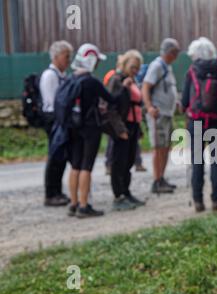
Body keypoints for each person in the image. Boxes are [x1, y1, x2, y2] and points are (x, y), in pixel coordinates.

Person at [67, 44, 132, 218]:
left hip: (74, 126)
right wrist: (124, 88)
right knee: (86, 166)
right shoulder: (92, 82)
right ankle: (83, 206)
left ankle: (73, 204)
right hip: (90, 128)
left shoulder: (71, 78)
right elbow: (112, 99)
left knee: (75, 165)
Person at [181, 37, 217, 213]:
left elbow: (185, 100)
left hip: (196, 121)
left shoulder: (192, 70)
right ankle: (216, 199)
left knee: (197, 161)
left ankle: (198, 201)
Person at [105, 50, 146, 211]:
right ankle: (118, 196)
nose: (135, 70)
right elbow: (112, 106)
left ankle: (126, 191)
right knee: (118, 161)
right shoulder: (117, 80)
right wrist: (119, 129)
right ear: (125, 64)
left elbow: (135, 105)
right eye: (133, 67)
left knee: (128, 161)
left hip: (133, 125)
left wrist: (139, 128)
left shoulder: (132, 81)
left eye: (137, 68)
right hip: (122, 126)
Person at [142, 38, 180, 194]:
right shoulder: (157, 66)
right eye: (176, 52)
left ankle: (161, 178)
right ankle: (157, 181)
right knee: (159, 148)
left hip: (167, 114)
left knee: (165, 147)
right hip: (158, 114)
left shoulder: (167, 67)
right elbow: (145, 86)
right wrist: (149, 107)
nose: (177, 56)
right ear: (170, 53)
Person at [40, 40, 74, 207]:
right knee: (54, 156)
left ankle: (57, 191)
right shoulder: (50, 76)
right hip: (54, 117)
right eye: (66, 56)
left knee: (61, 157)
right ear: (56, 56)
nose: (68, 60)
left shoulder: (62, 76)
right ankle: (50, 193)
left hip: (62, 117)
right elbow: (52, 101)